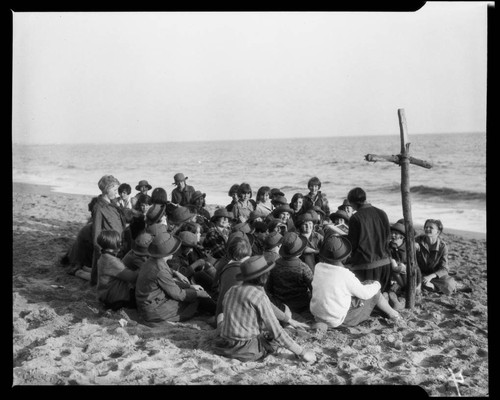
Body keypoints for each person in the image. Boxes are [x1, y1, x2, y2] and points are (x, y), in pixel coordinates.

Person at [213, 255, 317, 363]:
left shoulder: (232, 290)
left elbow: (267, 305)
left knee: (222, 316)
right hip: (246, 350)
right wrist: (302, 352)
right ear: (264, 276)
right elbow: (277, 331)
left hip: (225, 345)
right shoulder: (259, 296)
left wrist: (288, 319)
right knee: (273, 339)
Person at [310, 234, 401, 336]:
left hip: (318, 316)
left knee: (358, 287)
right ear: (344, 256)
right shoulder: (345, 274)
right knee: (373, 289)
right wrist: (377, 284)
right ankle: (393, 314)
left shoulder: (318, 267)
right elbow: (365, 294)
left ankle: (386, 305)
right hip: (338, 321)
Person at [135, 230, 215, 326]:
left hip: (147, 305)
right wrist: (198, 293)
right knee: (196, 299)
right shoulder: (161, 269)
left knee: (193, 292)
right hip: (153, 311)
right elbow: (179, 294)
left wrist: (190, 287)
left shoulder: (152, 261)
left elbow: (168, 283)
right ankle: (219, 310)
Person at [346, 187, 392, 293]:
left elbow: (352, 245)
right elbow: (387, 236)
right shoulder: (382, 213)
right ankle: (388, 297)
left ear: (353, 203)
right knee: (383, 292)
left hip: (367, 268)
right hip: (386, 265)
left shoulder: (355, 218)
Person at [90, 175, 127, 286]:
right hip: (107, 249)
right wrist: (101, 254)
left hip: (116, 246)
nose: (117, 193)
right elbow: (96, 234)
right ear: (107, 189)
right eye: (115, 190)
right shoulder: (99, 208)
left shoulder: (113, 204)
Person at [266, 231, 313, 314]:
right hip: (302, 306)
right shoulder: (304, 268)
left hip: (281, 306)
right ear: (300, 252)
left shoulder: (274, 265)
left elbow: (269, 287)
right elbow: (313, 288)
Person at [96, 229, 138, 311]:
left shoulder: (103, 256)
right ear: (113, 245)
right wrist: (142, 269)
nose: (121, 244)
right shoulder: (111, 261)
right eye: (120, 242)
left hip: (104, 293)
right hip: (114, 298)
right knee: (138, 299)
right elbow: (131, 277)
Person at [386, 220, 422, 309]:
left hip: (408, 277)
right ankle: (398, 294)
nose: (393, 235)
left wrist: (419, 285)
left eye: (396, 233)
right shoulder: (389, 247)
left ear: (402, 236)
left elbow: (416, 268)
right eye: (392, 233)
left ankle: (403, 294)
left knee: (414, 291)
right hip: (395, 276)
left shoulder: (409, 248)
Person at [169, 230, 217, 296]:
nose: (191, 250)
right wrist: (197, 263)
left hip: (189, 281)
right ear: (183, 247)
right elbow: (182, 274)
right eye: (190, 248)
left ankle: (218, 287)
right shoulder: (173, 257)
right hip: (181, 285)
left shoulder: (184, 254)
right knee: (200, 275)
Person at [415, 219, 456, 295]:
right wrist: (413, 247)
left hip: (434, 276)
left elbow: (444, 268)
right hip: (419, 273)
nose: (427, 229)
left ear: (438, 231)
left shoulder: (442, 247)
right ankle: (430, 287)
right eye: (426, 227)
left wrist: (430, 277)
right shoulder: (418, 241)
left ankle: (431, 286)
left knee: (449, 283)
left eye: (431, 227)